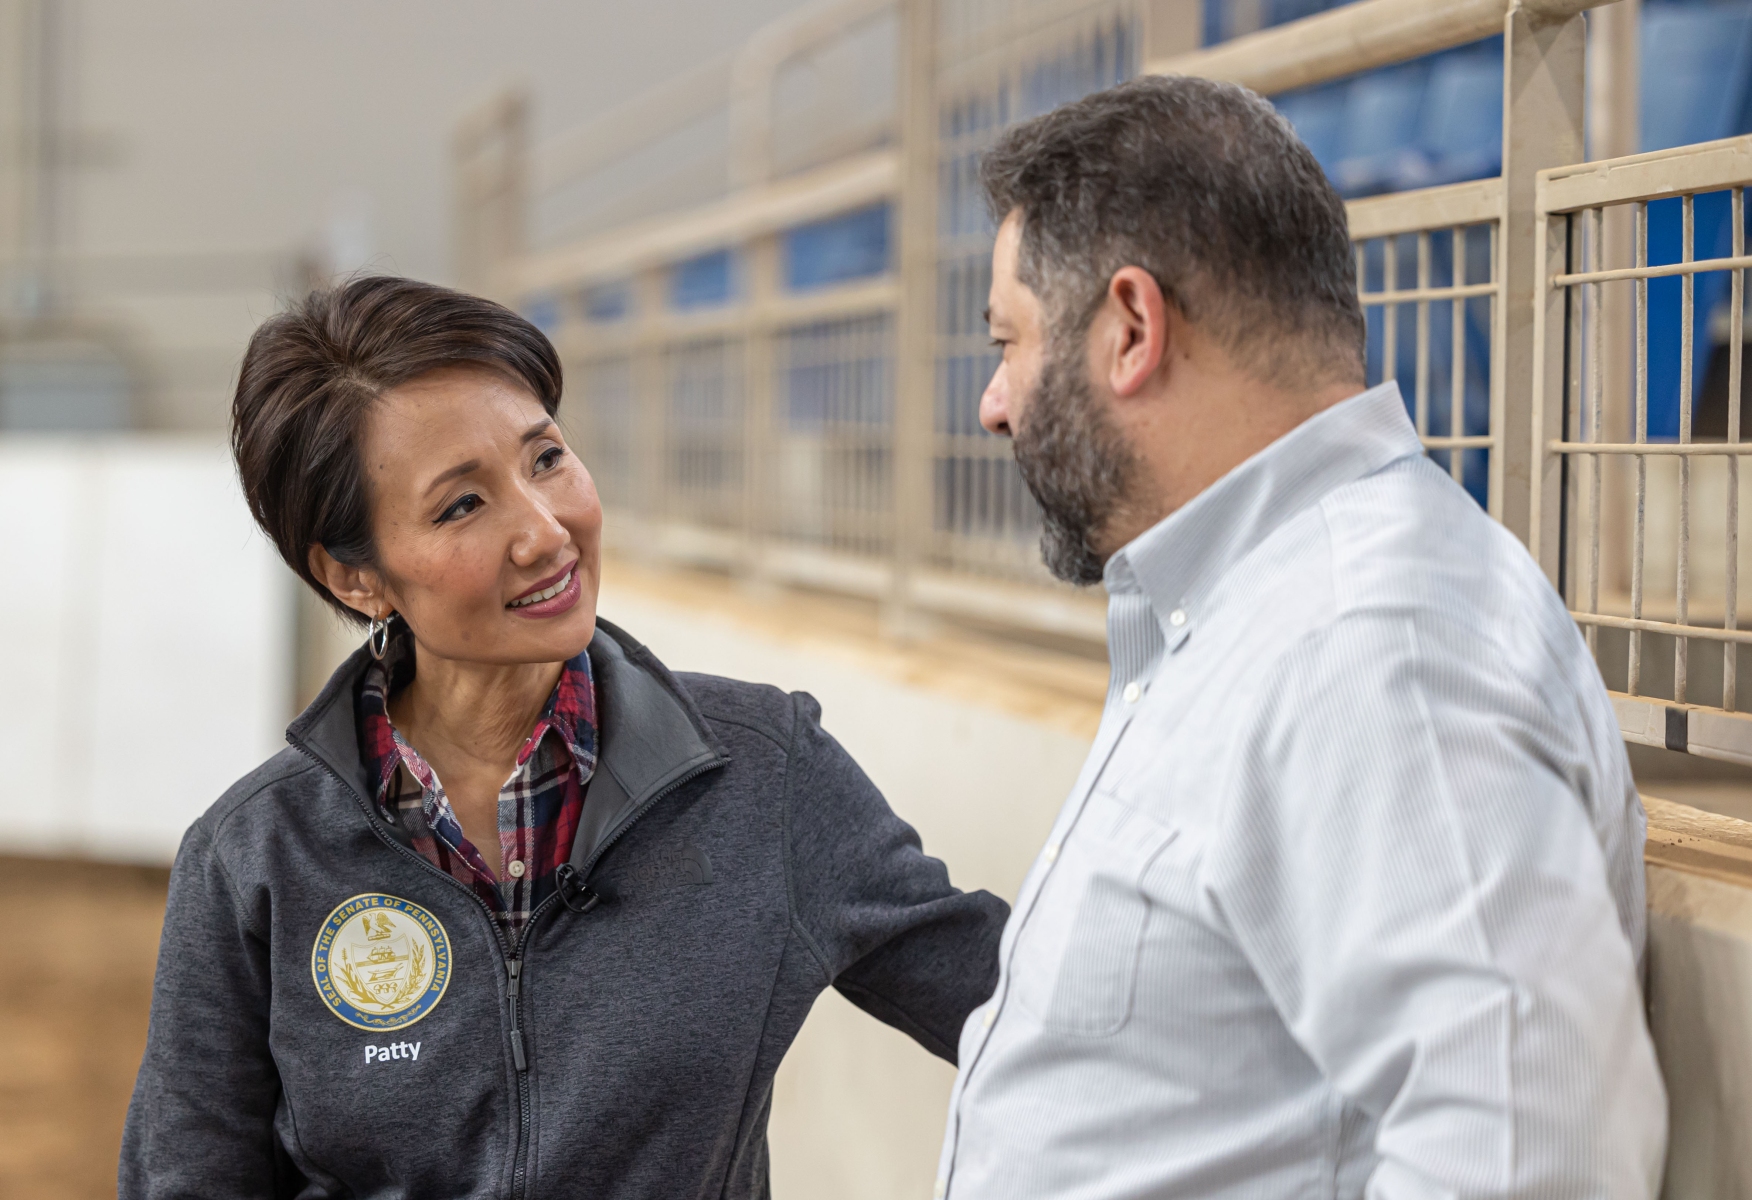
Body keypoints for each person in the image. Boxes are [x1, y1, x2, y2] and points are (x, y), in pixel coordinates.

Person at [933, 76, 1667, 1198]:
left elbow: (1532, 1153)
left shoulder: (1373, 642)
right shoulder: (1274, 610)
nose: (994, 403)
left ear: (1131, 329)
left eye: (1010, 342)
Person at [119, 276, 1007, 1199]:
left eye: (545, 458)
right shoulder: (253, 857)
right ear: (356, 579)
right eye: (462, 505)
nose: (546, 532)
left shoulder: (766, 773)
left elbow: (1035, 1023)